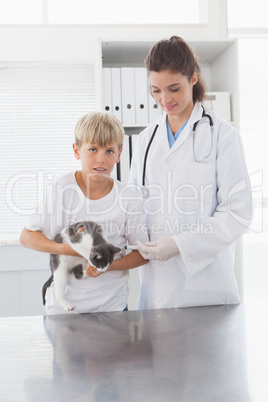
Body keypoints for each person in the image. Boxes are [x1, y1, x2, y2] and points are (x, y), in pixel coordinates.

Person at [127, 36, 252, 310]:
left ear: (193, 78)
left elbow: (237, 212)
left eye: (173, 88)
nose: (165, 99)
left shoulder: (222, 135)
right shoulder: (147, 139)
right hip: (155, 288)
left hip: (205, 291)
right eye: (156, 91)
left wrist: (180, 244)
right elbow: (134, 204)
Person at [20, 111, 148, 315]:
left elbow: (143, 254)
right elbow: (27, 237)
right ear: (77, 150)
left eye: (109, 151)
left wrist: (107, 267)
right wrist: (67, 250)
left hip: (112, 308)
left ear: (119, 153)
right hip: (64, 313)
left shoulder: (128, 197)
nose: (101, 159)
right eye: (93, 149)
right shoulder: (61, 189)